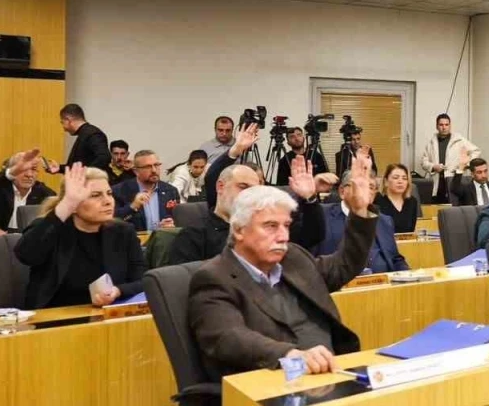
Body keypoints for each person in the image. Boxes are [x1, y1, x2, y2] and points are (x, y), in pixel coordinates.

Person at [187, 156, 379, 379]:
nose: (283, 236)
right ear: (239, 230)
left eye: (286, 225)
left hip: (331, 371)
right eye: (270, 226)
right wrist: (291, 355)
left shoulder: (293, 257)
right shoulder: (214, 277)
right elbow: (228, 337)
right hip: (272, 382)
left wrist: (360, 212)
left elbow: (344, 266)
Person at [14, 164, 145, 308]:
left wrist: (118, 291)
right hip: (56, 315)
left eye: (109, 193)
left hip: (107, 314)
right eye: (95, 195)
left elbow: (142, 280)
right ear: (73, 204)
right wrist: (66, 205)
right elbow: (26, 255)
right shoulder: (51, 228)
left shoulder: (123, 232)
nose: (108, 201)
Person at [167, 156, 324, 265]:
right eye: (243, 187)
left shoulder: (269, 229)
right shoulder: (193, 235)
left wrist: (309, 198)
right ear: (221, 187)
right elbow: (183, 284)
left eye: (254, 189)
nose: (249, 194)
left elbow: (312, 236)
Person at [317, 166, 408, 273]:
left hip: (382, 281)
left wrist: (408, 275)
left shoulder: (384, 221)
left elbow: (395, 259)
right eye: (360, 186)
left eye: (371, 187)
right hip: (341, 281)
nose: (366, 191)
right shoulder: (322, 215)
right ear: (342, 191)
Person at [420, 113, 480, 204]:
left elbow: (476, 151)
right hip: (437, 182)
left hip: (454, 179)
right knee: (437, 207)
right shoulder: (431, 143)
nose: (444, 127)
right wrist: (433, 167)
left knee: (454, 205)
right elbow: (423, 162)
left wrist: (464, 165)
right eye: (441, 125)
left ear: (450, 125)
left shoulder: (459, 140)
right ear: (437, 126)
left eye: (446, 124)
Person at [113, 149, 180, 231]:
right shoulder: (119, 191)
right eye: (148, 167)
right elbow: (111, 222)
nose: (154, 170)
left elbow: (178, 220)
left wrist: (171, 225)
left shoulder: (170, 191)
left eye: (156, 165)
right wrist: (132, 206)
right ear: (136, 171)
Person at [0, 149, 54, 234]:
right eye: (23, 169)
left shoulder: (44, 193)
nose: (29, 175)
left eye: (33, 169)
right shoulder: (0, 186)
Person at [43, 104, 110, 174]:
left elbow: (104, 157)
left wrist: (84, 174)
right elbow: (80, 167)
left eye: (62, 122)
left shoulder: (93, 134)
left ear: (68, 120)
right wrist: (59, 168)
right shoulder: (85, 133)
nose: (64, 129)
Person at [374, 163, 419, 233]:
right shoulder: (376, 200)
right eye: (395, 178)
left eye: (404, 178)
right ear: (386, 181)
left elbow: (411, 231)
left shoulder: (412, 201)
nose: (400, 181)